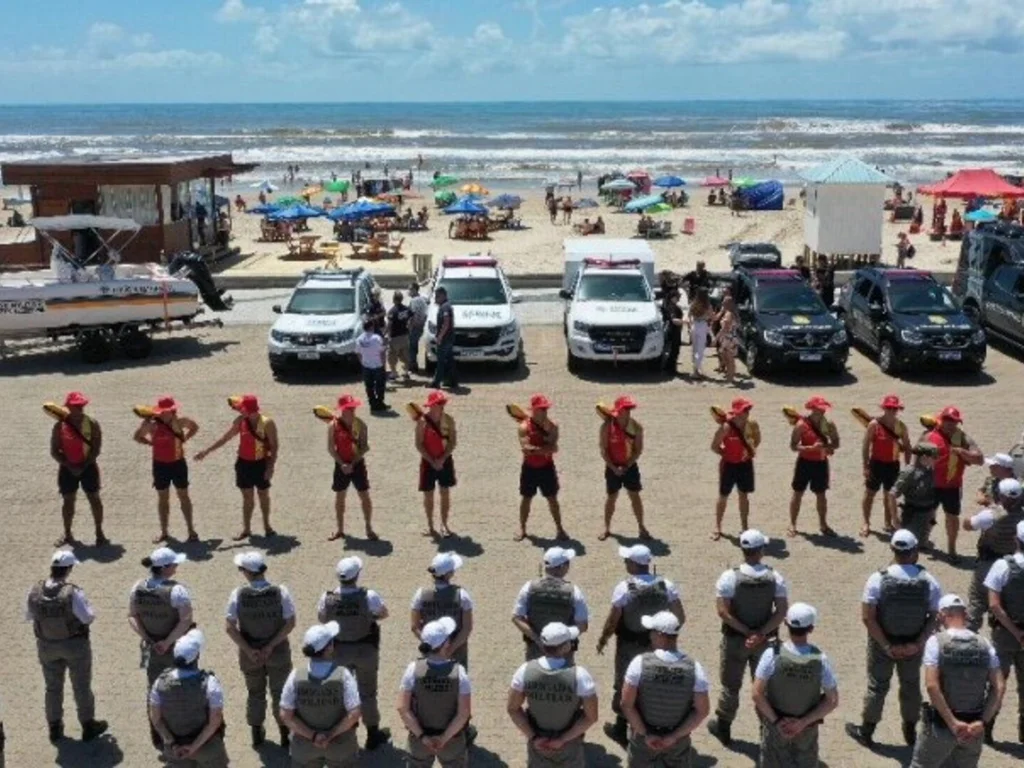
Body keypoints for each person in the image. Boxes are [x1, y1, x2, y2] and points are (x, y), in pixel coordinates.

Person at [846, 530, 942, 749]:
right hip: (913, 645)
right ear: (914, 551)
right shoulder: (928, 580)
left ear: (893, 549)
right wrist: (917, 644)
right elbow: (935, 617)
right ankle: (910, 730)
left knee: (877, 686)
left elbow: (867, 617)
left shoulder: (877, 578)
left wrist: (886, 645)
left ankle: (867, 730)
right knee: (910, 685)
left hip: (883, 643)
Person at [596, 545, 685, 747]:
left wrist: (603, 639)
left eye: (627, 560)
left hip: (629, 644)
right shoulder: (666, 585)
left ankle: (621, 726)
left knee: (624, 683)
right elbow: (680, 616)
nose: (625, 563)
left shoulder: (624, 588)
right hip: (658, 643)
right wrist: (665, 635)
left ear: (635, 564)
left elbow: (612, 620)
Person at [707, 530, 788, 747]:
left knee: (730, 686)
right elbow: (781, 612)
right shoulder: (775, 577)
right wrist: (760, 634)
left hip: (735, 640)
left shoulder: (729, 577)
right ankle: (766, 732)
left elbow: (723, 612)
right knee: (764, 689)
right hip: (765, 643)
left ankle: (723, 727)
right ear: (761, 550)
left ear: (742, 550)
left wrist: (746, 632)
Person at [909, 594, 1003, 767]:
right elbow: (999, 686)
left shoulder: (936, 642)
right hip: (973, 727)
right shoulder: (985, 644)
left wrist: (953, 723)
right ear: (965, 614)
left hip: (941, 727)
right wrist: (982, 722)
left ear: (942, 615)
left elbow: (931, 685)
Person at [25, 550, 107, 744]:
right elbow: (88, 617)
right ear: (69, 569)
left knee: (52, 687)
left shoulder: (35, 590)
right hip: (74, 644)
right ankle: (88, 725)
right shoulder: (73, 592)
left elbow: (28, 616)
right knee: (81, 686)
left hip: (46, 645)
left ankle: (55, 727)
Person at [751, 603, 840, 768]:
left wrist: (776, 721)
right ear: (811, 629)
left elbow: (757, 694)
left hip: (776, 725)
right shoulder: (820, 659)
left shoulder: (772, 654)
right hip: (806, 728)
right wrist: (803, 723)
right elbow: (832, 700)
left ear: (785, 623)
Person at [318, 556, 391, 752]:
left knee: (342, 693)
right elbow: (384, 613)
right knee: (368, 692)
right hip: (365, 650)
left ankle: (345, 733)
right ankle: (373, 734)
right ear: (357, 575)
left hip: (339, 651)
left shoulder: (328, 597)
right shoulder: (369, 596)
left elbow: (322, 619)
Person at [225, 551, 295, 750]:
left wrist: (248, 650)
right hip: (278, 652)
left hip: (250, 655)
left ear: (247, 572)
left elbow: (229, 626)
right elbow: (290, 622)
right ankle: (285, 735)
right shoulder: (281, 591)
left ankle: (256, 732)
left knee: (255, 693)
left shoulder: (238, 594)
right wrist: (271, 645)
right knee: (280, 693)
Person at [621, 611, 711, 766]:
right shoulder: (695, 668)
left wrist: (646, 734)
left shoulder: (639, 663)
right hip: (677, 743)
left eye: (652, 632)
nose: (650, 636)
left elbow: (626, 704)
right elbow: (702, 711)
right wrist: (674, 737)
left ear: (660, 635)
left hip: (644, 740)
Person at [508, 622, 599, 766]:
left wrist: (533, 737)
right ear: (565, 647)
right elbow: (591, 717)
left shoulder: (524, 670)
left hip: (538, 742)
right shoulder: (580, 675)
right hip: (569, 743)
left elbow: (513, 709)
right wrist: (563, 739)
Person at [129, 546, 194, 747]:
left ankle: (157, 733)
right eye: (174, 564)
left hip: (150, 647)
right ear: (165, 568)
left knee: (153, 688)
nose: (176, 567)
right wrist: (166, 642)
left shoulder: (137, 587)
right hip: (174, 647)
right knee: (181, 685)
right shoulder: (177, 590)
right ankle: (180, 730)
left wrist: (148, 638)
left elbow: (132, 616)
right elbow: (185, 620)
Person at [195, 394, 279, 540]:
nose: (240, 411)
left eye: (242, 409)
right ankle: (246, 529)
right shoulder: (241, 421)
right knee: (247, 498)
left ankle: (267, 526)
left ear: (250, 409)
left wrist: (270, 467)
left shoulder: (267, 423)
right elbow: (225, 438)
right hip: (243, 463)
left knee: (263, 495)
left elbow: (274, 446)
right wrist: (207, 451)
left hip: (261, 463)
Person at [279, 622, 362, 768]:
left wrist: (314, 736)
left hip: (305, 748)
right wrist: (330, 736)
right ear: (329, 648)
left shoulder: (295, 676)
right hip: (340, 747)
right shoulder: (344, 675)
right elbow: (354, 714)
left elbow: (286, 715)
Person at [397, 617, 472, 767]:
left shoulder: (412, 670)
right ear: (446, 644)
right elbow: (464, 713)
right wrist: (443, 739)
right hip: (452, 742)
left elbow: (402, 708)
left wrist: (423, 737)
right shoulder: (460, 673)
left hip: (419, 742)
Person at [149, 629, 228, 767]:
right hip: (207, 747)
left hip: (176, 750)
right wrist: (193, 747)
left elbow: (156, 720)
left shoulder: (159, 683)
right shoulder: (210, 683)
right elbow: (214, 721)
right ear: (196, 656)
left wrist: (172, 744)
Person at [133, 396, 200, 544]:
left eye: (168, 411)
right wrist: (150, 443)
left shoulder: (180, 421)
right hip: (160, 465)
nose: (165, 414)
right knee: (163, 498)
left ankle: (191, 530)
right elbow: (137, 437)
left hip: (178, 464)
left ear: (173, 410)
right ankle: (164, 532)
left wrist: (185, 439)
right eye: (162, 411)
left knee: (184, 496)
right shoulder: (151, 424)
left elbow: (195, 427)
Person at [923, 405, 983, 562]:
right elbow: (917, 460)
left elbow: (979, 459)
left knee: (952, 518)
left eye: (954, 421)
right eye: (948, 420)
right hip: (931, 484)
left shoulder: (962, 437)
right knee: (928, 514)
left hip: (952, 486)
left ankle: (951, 549)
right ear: (941, 419)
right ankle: (924, 539)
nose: (951, 423)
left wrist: (963, 452)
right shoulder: (929, 435)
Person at [964, 478, 1024, 631]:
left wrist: (989, 506)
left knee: (977, 601)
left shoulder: (991, 515)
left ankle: (968, 635)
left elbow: (967, 525)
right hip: (1014, 565)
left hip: (989, 562)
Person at [983, 519, 1024, 744]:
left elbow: (994, 605)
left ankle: (988, 728)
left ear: (1016, 540)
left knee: (997, 681)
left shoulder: (1002, 566)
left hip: (1005, 634)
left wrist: (1016, 632)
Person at [50, 391, 108, 547]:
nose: (79, 409)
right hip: (67, 468)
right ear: (68, 407)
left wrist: (84, 465)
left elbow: (96, 448)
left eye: (81, 406)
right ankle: (68, 533)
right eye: (76, 406)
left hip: (88, 467)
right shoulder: (59, 426)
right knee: (68, 501)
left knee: (94, 499)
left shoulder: (92, 423)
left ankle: (99, 532)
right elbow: (54, 451)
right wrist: (69, 465)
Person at [512, 547, 589, 662]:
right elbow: (582, 625)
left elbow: (517, 618)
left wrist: (538, 640)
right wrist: (562, 640)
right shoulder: (574, 591)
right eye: (568, 563)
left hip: (535, 649)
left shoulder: (528, 587)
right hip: (564, 653)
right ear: (562, 567)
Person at [515, 394, 568, 542]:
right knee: (526, 498)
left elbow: (553, 447)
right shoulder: (524, 426)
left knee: (552, 499)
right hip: (529, 468)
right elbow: (526, 448)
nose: (544, 411)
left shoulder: (553, 426)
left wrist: (537, 448)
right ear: (533, 410)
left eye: (545, 409)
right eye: (541, 409)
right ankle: (522, 529)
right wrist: (544, 447)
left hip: (546, 467)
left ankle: (560, 529)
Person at [599, 396, 650, 541]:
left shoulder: (636, 427)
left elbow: (638, 450)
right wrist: (613, 468)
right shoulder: (607, 426)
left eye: (629, 409)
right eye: (625, 409)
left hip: (630, 467)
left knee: (635, 496)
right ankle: (606, 527)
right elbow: (604, 450)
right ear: (618, 410)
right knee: (611, 497)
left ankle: (641, 527)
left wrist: (627, 465)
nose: (628, 412)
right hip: (612, 467)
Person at [326, 394, 377, 541]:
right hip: (340, 464)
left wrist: (352, 463)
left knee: (364, 496)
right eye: (349, 408)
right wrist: (342, 463)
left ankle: (368, 527)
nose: (352, 410)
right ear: (342, 409)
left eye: (353, 407)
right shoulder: (333, 426)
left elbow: (364, 447)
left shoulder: (361, 425)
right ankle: (340, 529)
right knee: (340, 497)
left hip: (357, 464)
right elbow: (331, 448)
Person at [861, 395, 912, 538]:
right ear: (884, 408)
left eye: (894, 408)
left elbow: (908, 447)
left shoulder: (901, 426)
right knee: (869, 493)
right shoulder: (874, 425)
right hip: (876, 463)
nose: (892, 410)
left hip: (892, 464)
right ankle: (866, 522)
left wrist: (908, 466)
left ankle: (888, 522)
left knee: (890, 495)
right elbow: (866, 446)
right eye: (889, 408)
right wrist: (865, 466)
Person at [788, 396, 840, 537]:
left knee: (821, 495)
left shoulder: (829, 424)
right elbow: (793, 446)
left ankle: (823, 524)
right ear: (812, 409)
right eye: (819, 408)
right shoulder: (801, 425)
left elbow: (836, 442)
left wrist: (827, 446)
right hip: (804, 462)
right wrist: (810, 448)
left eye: (823, 408)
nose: (822, 411)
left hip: (821, 463)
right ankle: (793, 524)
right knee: (798, 493)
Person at [411, 553, 473, 669]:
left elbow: (415, 627)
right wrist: (449, 650)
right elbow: (467, 628)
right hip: (457, 651)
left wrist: (431, 643)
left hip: (430, 652)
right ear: (449, 574)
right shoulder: (462, 595)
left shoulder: (420, 594)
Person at [710, 398, 760, 540]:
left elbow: (757, 439)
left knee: (743, 495)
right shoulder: (726, 427)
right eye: (744, 410)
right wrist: (725, 453)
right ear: (737, 412)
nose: (747, 412)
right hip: (729, 465)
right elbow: (714, 446)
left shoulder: (752, 425)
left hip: (745, 464)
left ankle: (744, 526)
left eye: (748, 409)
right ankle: (718, 526)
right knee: (723, 495)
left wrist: (750, 449)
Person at [415, 391, 458, 538]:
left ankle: (444, 524)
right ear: (432, 405)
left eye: (443, 403)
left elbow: (452, 442)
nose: (442, 406)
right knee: (428, 495)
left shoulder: (449, 420)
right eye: (439, 403)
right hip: (428, 462)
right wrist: (432, 460)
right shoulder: (422, 422)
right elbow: (419, 444)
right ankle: (430, 526)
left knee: (445, 493)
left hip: (445, 461)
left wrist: (442, 459)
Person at [890, 443, 940, 547]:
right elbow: (892, 495)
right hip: (913, 516)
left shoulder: (930, 470)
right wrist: (895, 519)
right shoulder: (910, 472)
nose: (936, 460)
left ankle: (924, 540)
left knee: (922, 543)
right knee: (908, 545)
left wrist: (933, 513)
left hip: (928, 512)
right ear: (925, 457)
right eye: (934, 457)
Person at [355, 321, 388, 412]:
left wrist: (362, 362)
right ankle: (380, 403)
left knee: (369, 386)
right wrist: (384, 364)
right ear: (371, 327)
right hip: (377, 365)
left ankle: (372, 404)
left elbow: (358, 353)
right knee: (380, 386)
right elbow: (382, 352)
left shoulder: (359, 339)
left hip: (366, 366)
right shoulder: (376, 338)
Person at [430, 286, 458, 390]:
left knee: (441, 361)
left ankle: (436, 382)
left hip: (445, 339)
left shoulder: (445, 307)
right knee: (449, 360)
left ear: (442, 296)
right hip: (449, 338)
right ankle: (452, 381)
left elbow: (446, 323)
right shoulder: (447, 306)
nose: (435, 299)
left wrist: (440, 337)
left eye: (437, 296)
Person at [387, 291, 412, 383]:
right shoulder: (406, 309)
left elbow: (389, 324)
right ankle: (406, 372)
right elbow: (412, 317)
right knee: (405, 355)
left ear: (394, 299)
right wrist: (410, 326)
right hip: (405, 336)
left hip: (395, 337)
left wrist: (385, 334)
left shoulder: (392, 311)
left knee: (391, 356)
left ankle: (393, 373)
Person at [687, 288, 714, 378]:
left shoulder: (693, 304)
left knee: (694, 349)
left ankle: (695, 370)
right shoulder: (707, 305)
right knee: (700, 349)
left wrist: (690, 326)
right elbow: (712, 317)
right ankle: (696, 371)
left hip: (694, 325)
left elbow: (689, 316)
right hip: (702, 325)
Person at [715, 296, 739, 384]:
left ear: (729, 304)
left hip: (729, 339)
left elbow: (725, 328)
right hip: (728, 338)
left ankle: (731, 378)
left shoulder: (729, 314)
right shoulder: (729, 313)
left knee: (729, 360)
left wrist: (716, 338)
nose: (722, 303)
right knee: (726, 357)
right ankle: (729, 376)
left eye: (724, 302)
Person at [407, 282, 429, 374]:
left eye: (411, 289)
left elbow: (413, 315)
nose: (409, 291)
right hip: (420, 326)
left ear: (415, 290)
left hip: (415, 327)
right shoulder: (423, 299)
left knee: (412, 346)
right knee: (414, 345)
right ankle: (413, 363)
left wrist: (410, 326)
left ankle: (413, 366)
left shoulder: (414, 301)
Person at [661, 290, 683, 375]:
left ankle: (668, 367)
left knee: (672, 350)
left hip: (673, 330)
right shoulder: (672, 307)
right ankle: (671, 369)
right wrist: (684, 321)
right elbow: (674, 320)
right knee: (674, 350)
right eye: (677, 296)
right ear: (673, 297)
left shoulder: (669, 305)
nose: (679, 298)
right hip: (674, 330)